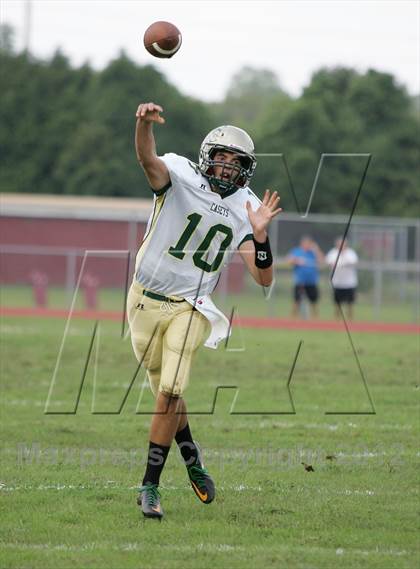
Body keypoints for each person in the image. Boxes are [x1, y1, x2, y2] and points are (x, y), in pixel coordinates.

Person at [127, 101, 282, 519]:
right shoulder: (179, 173)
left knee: (171, 391)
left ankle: (150, 486)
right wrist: (143, 125)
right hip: (143, 298)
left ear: (246, 169)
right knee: (165, 390)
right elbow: (146, 158)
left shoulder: (247, 207)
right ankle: (192, 457)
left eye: (237, 161)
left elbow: (263, 278)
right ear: (207, 157)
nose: (228, 167)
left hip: (192, 306)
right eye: (222, 157)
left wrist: (261, 237)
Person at [287, 236, 324, 319]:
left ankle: (316, 320)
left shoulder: (313, 252)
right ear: (302, 243)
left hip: (312, 281)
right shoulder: (297, 251)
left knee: (314, 302)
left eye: (309, 243)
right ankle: (292, 319)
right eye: (306, 243)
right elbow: (289, 260)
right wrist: (297, 261)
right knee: (297, 301)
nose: (307, 245)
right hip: (300, 281)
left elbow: (322, 260)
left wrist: (316, 249)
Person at [326, 237, 359, 320]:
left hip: (349, 283)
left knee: (350, 303)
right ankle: (336, 320)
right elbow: (329, 262)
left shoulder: (351, 253)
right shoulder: (333, 253)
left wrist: (343, 254)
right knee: (337, 303)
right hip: (337, 283)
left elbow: (353, 262)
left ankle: (350, 320)